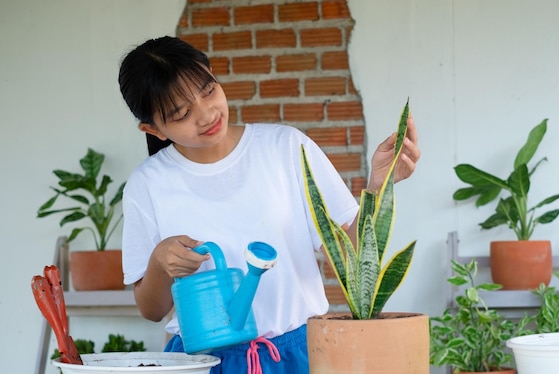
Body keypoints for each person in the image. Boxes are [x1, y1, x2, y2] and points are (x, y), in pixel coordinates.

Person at [117, 36, 420, 374]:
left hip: (298, 354)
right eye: (182, 113)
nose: (207, 115)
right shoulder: (147, 185)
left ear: (213, 74)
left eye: (208, 91)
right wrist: (160, 262)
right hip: (199, 363)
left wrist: (379, 184)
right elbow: (151, 310)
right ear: (152, 129)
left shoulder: (286, 148)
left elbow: (349, 263)